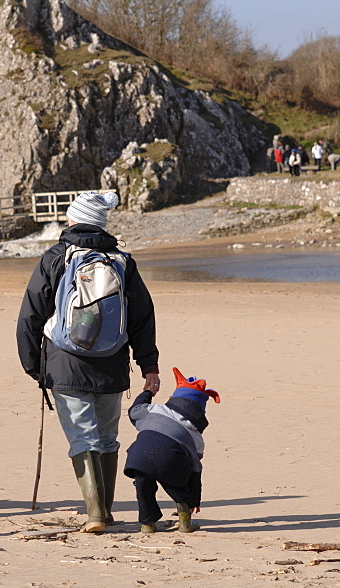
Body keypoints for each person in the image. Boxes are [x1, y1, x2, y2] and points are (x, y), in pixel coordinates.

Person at [16, 191, 159, 534]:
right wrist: (149, 366)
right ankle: (104, 512)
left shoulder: (56, 257)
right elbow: (142, 318)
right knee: (108, 437)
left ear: (74, 219)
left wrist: (34, 365)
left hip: (65, 361)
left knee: (83, 436)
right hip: (112, 362)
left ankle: (95, 513)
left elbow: (31, 315)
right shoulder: (123, 261)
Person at [123, 368, 220, 534]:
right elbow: (195, 470)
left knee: (143, 488)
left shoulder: (154, 410)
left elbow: (134, 410)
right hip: (171, 461)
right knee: (180, 485)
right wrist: (194, 499)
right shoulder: (195, 436)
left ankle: (147, 524)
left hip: (139, 458)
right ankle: (185, 522)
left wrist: (148, 393)